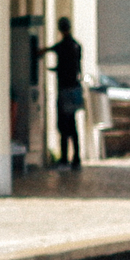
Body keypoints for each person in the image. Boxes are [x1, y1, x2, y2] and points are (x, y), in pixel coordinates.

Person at [49, 17, 88, 168]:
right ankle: (76, 157)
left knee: (63, 124)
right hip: (75, 88)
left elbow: (53, 51)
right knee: (72, 124)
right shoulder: (76, 46)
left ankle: (65, 157)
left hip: (65, 89)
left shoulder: (63, 46)